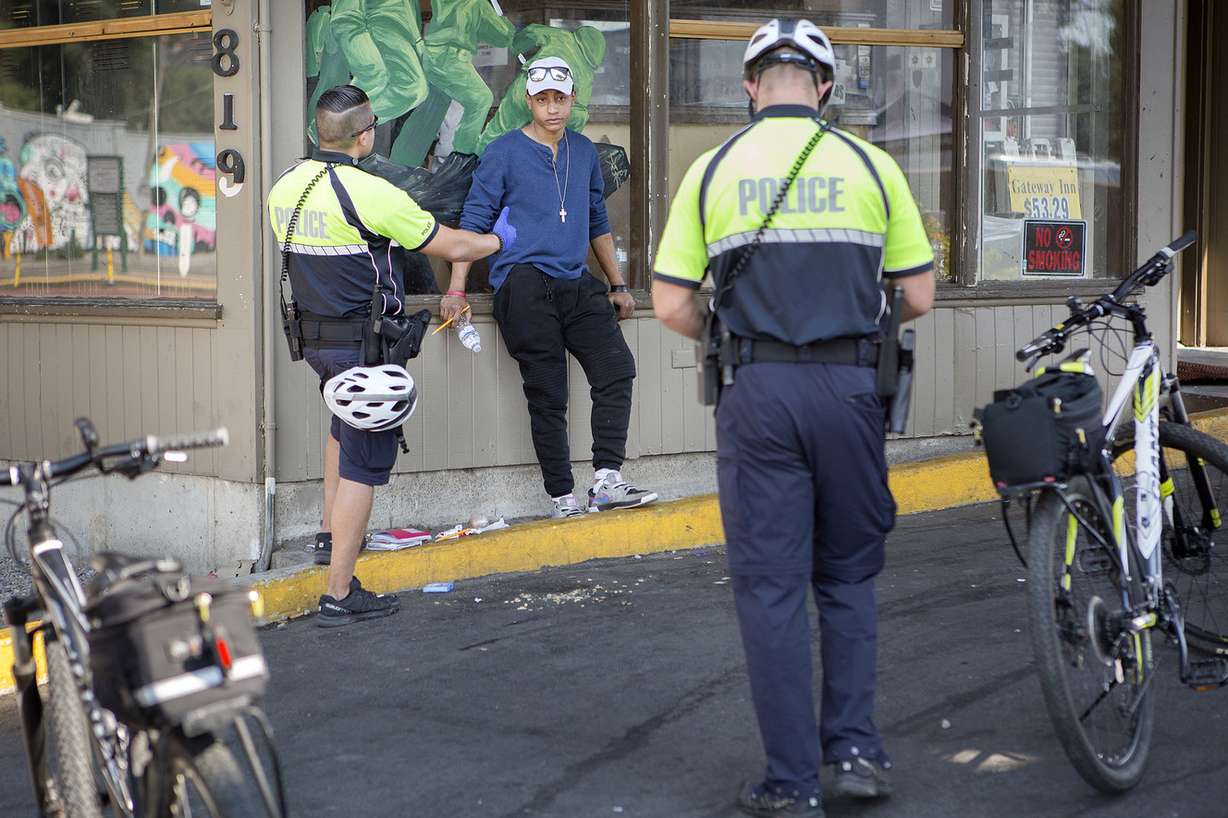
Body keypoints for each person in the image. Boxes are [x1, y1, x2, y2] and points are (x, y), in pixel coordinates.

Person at [651, 20, 935, 816]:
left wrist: (735, 336)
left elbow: (671, 300)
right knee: (846, 577)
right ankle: (854, 753)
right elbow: (917, 295)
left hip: (758, 394)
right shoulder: (872, 167)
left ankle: (791, 782)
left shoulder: (711, 171)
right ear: (823, 85)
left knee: (771, 589)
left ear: (749, 86)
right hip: (851, 392)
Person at [268, 85, 517, 627]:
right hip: (365, 346)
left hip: (316, 342)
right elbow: (451, 246)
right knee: (364, 464)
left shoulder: (284, 186)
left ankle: (330, 536)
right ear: (367, 134)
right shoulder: (373, 193)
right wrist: (499, 240)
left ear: (318, 133)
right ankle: (338, 591)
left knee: (341, 428)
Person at [442, 58, 658, 519]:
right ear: (529, 100)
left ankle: (606, 480)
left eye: (560, 98)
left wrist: (617, 283)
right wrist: (457, 290)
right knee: (548, 390)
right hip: (521, 282)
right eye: (543, 99)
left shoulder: (583, 152)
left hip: (575, 281)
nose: (552, 108)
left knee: (616, 367)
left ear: (573, 99)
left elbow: (596, 220)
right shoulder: (503, 151)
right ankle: (563, 497)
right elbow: (474, 223)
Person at [475, 24, 607, 154]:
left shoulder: (562, 36)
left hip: (525, 89)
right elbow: (580, 112)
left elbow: (532, 31)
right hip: (557, 116)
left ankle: (478, 161)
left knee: (499, 129)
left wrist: (517, 45)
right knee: (547, 144)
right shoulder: (587, 74)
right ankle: (558, 155)